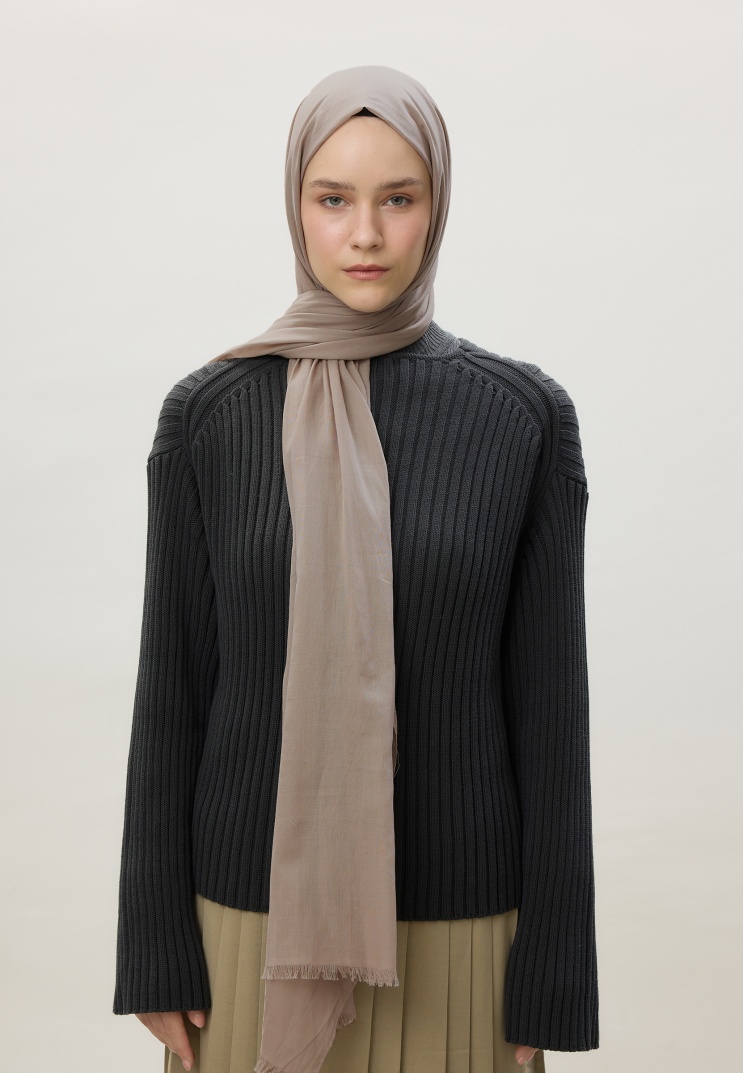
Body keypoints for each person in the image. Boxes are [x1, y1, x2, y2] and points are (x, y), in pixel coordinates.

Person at [112, 65, 599, 1073]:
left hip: (464, 936)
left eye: (397, 199)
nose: (365, 234)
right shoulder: (209, 415)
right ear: (295, 205)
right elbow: (172, 691)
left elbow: (550, 710)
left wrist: (554, 968)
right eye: (333, 199)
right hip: (245, 928)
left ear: (437, 206)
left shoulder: (521, 417)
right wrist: (153, 946)